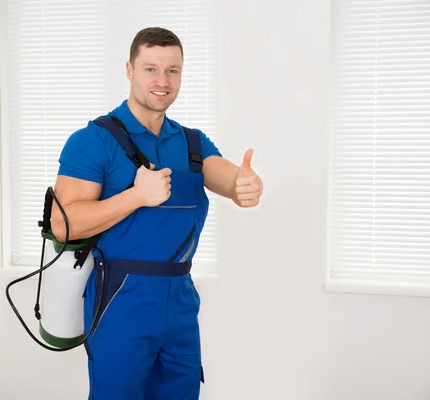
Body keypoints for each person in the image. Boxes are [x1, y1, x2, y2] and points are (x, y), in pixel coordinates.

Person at [50, 27, 263, 400]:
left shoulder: (193, 142)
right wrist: (135, 197)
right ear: (129, 70)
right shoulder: (93, 140)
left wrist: (242, 186)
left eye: (173, 70)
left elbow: (225, 176)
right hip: (120, 302)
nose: (162, 81)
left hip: (180, 303)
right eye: (151, 69)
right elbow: (62, 224)